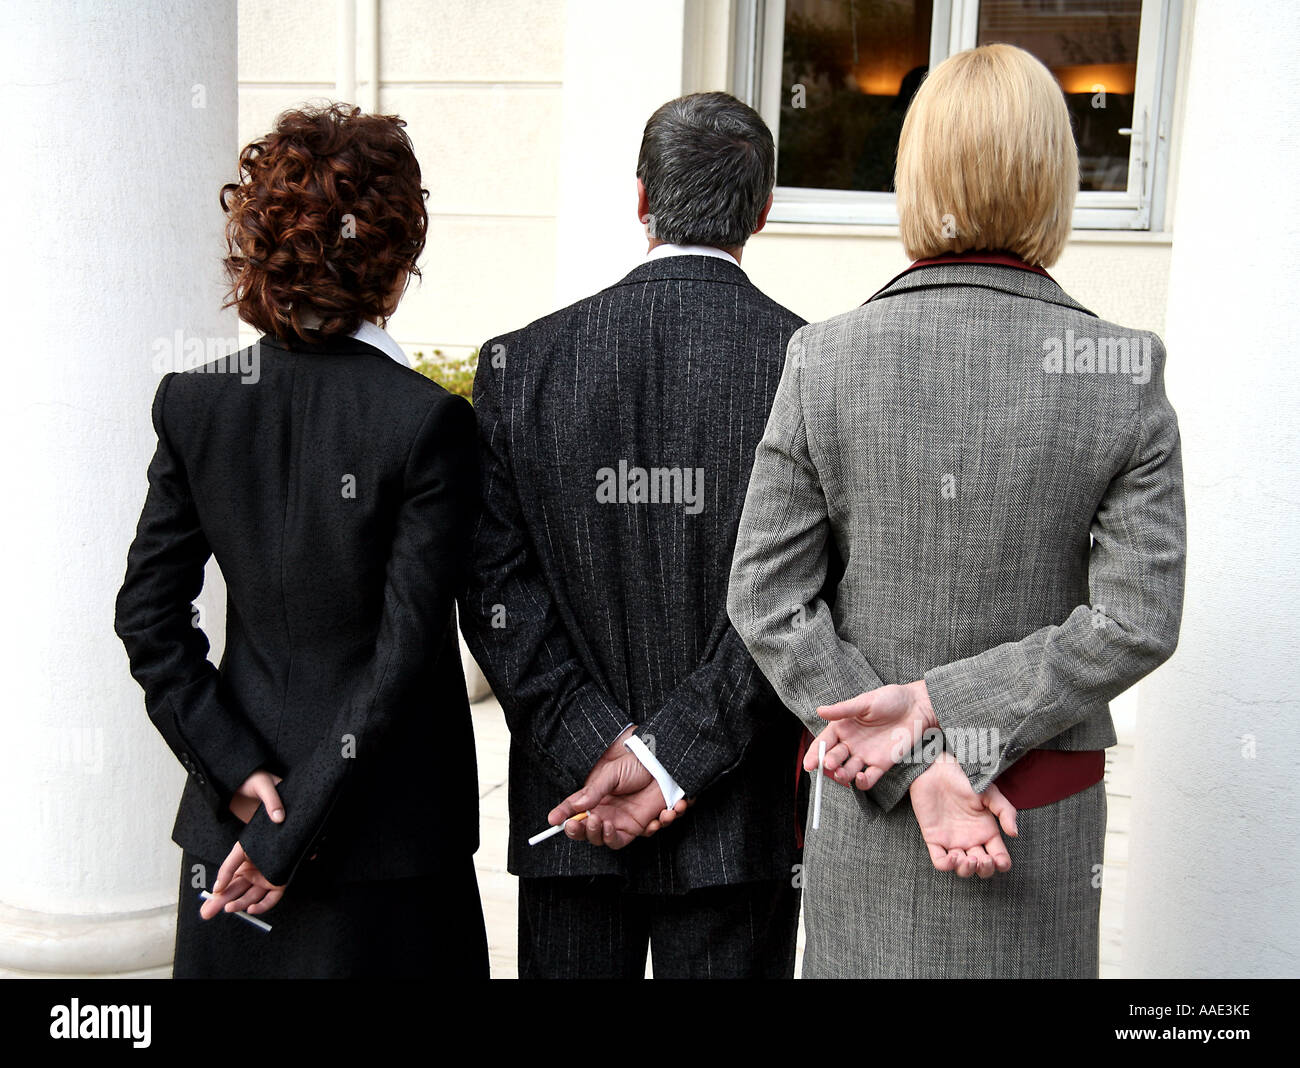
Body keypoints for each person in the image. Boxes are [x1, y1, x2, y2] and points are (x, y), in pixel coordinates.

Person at [727, 44, 1186, 978]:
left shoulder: (827, 359)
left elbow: (766, 602)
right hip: (1039, 821)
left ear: (914, 174)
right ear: (1055, 180)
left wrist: (916, 750)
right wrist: (945, 717)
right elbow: (1137, 620)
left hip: (877, 817)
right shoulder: (1123, 371)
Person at [114, 103, 488, 978]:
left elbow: (147, 620)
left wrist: (245, 778)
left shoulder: (197, 404)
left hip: (233, 830)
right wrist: (296, 822)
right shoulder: (428, 422)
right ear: (398, 255)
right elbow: (400, 663)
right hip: (388, 852)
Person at [460, 92, 806, 979]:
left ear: (642, 200)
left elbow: (496, 592)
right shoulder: (812, 365)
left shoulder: (519, 365)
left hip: (573, 807)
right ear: (763, 211)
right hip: (737, 825)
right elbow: (797, 599)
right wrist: (670, 757)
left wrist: (601, 747)